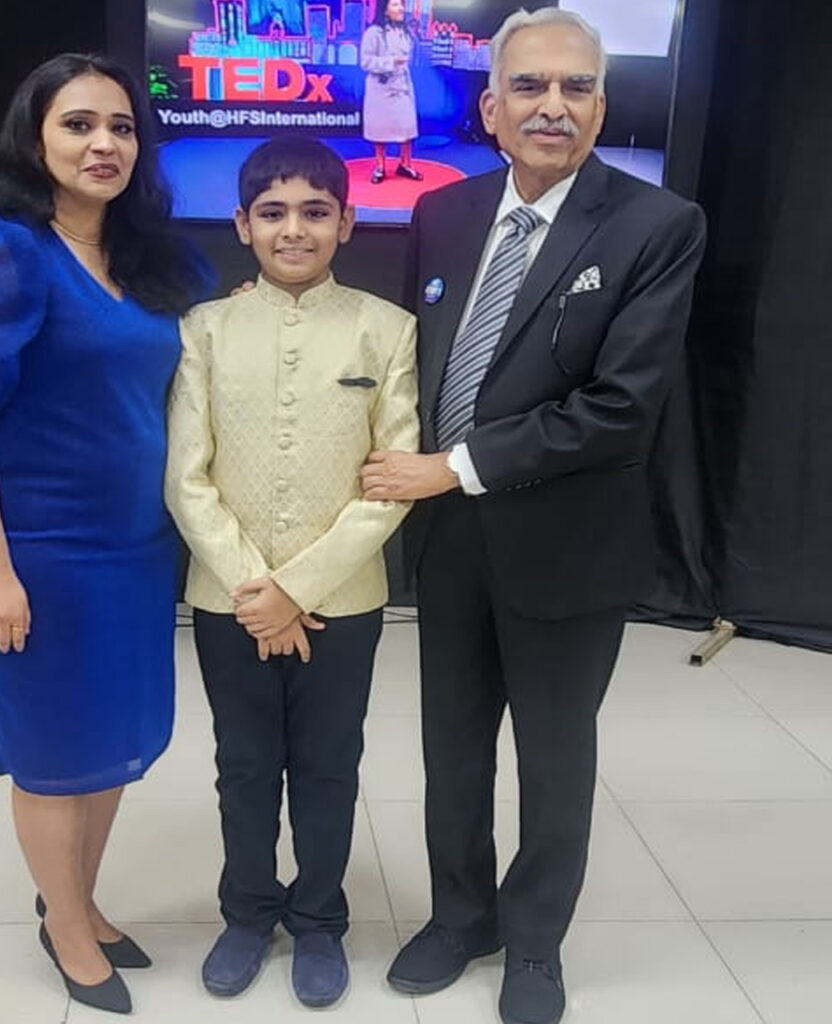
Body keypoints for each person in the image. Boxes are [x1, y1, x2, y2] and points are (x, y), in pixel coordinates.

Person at [360, 8, 706, 1024]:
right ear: (490, 108)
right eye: (529, 85)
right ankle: (460, 916)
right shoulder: (444, 212)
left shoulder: (657, 227)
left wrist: (451, 466)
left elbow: (621, 406)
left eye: (575, 87)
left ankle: (537, 939)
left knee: (554, 756)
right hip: (449, 540)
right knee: (452, 746)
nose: (552, 105)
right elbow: (417, 369)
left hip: (568, 543)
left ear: (599, 105)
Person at [0, 53, 209, 1015]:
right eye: (78, 125)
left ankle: (78, 898)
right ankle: (67, 927)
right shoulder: (0, 254)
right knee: (50, 750)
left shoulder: (147, 261)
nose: (103, 144)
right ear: (34, 139)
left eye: (121, 127)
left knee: (112, 739)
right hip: (37, 555)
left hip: (135, 552)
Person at [164, 136, 419, 1009]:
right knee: (243, 765)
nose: (294, 230)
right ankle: (246, 913)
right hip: (226, 598)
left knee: (328, 766)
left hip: (343, 600)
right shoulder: (203, 329)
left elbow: (392, 481)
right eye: (272, 213)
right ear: (242, 224)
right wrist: (256, 589)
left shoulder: (389, 329)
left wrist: (295, 591)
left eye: (315, 212)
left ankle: (319, 919)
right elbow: (185, 477)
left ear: (347, 222)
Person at [361, 0, 423, 184]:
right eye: (395, 4)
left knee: (407, 126)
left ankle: (405, 164)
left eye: (401, 4)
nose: (401, 8)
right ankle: (380, 167)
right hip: (381, 87)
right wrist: (390, 62)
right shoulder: (374, 32)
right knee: (380, 128)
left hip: (401, 85)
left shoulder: (405, 31)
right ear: (385, 9)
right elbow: (365, 62)